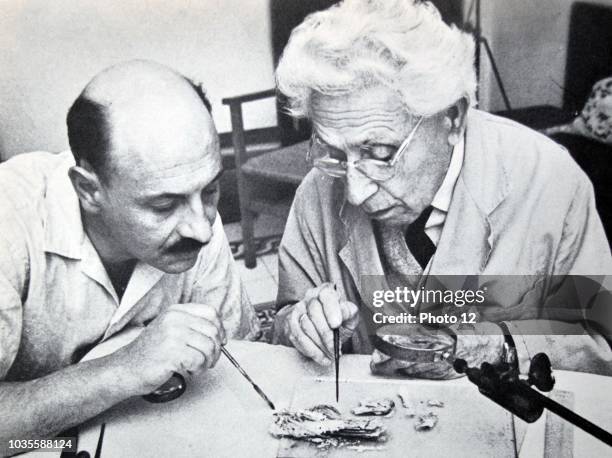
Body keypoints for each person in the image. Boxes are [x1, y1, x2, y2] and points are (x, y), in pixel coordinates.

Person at [272, 0, 611, 378]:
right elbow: (281, 327)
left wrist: (499, 346)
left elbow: (600, 342)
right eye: (334, 152)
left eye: (381, 154)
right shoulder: (318, 191)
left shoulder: (549, 180)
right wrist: (298, 326)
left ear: (452, 117)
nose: (354, 192)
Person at [0, 60, 259, 449]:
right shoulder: (10, 221)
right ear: (88, 190)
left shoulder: (195, 217)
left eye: (209, 190)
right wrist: (123, 368)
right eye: (163, 205)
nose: (202, 229)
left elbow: (241, 364)